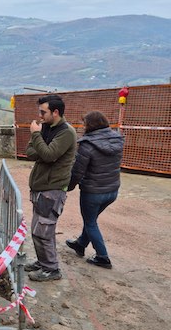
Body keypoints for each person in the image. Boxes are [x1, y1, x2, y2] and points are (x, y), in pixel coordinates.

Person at [24, 94, 76, 282]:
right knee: (38, 229)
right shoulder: (45, 128)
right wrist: (40, 144)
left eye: (43, 112)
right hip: (40, 187)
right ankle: (43, 261)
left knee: (43, 230)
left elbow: (48, 155)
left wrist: (36, 136)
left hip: (52, 189)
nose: (40, 116)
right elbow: (30, 152)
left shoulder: (66, 133)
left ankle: (51, 269)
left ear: (55, 112)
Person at [65, 111, 124, 269]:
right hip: (112, 191)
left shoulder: (87, 144)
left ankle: (102, 257)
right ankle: (80, 244)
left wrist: (68, 187)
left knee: (90, 222)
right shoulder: (117, 139)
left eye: (85, 123)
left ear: (90, 125)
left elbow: (77, 172)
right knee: (91, 220)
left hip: (93, 192)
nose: (83, 126)